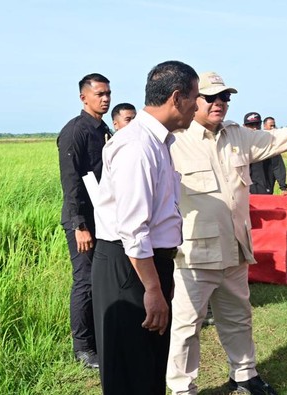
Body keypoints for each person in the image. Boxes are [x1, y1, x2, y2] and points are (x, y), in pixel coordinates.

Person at [166, 71, 287, 395]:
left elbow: (276, 140)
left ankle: (244, 374)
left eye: (225, 98)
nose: (220, 103)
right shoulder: (175, 139)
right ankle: (182, 388)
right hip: (195, 252)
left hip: (235, 246)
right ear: (194, 100)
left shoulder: (237, 136)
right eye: (212, 97)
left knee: (238, 317)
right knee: (186, 326)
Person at [91, 60, 199, 394]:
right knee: (130, 371)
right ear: (177, 98)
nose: (197, 107)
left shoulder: (159, 143)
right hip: (130, 268)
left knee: (149, 367)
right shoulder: (137, 146)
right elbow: (133, 229)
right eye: (195, 98)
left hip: (149, 264)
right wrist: (153, 289)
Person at [57, 72, 112, 369]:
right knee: (84, 282)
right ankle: (83, 347)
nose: (105, 99)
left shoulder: (103, 129)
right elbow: (71, 181)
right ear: (84, 97)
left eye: (108, 94)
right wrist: (79, 225)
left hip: (103, 216)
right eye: (99, 94)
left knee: (100, 279)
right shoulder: (75, 131)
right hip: (83, 221)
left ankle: (102, 336)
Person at [244, 113, 287, 195]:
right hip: (244, 191)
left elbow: (277, 166)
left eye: (257, 125)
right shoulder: (239, 144)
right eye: (250, 125)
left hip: (264, 189)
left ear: (261, 125)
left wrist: (283, 188)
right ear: (244, 126)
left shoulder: (269, 144)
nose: (254, 128)